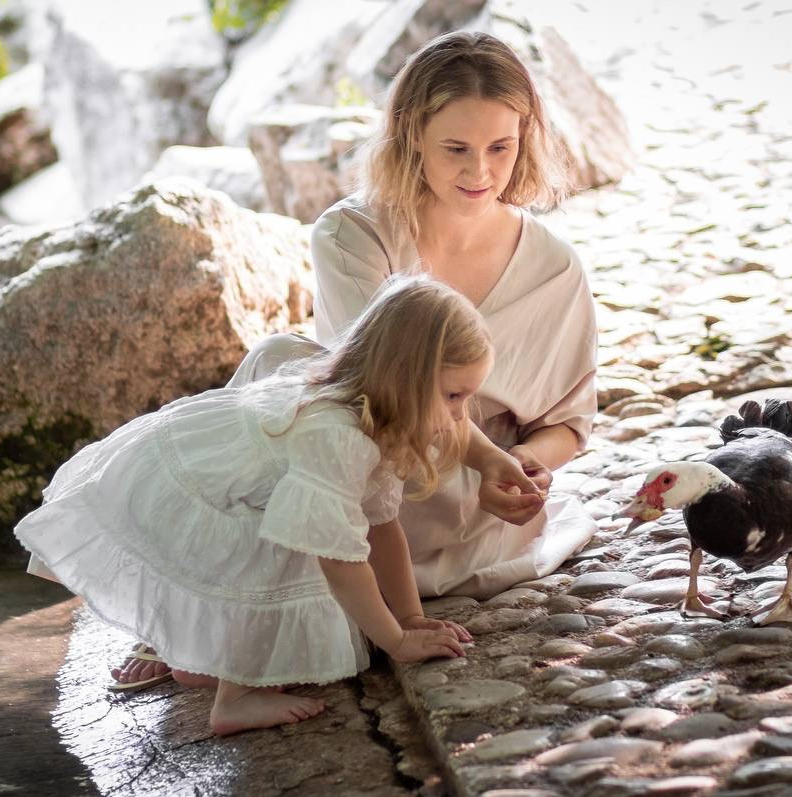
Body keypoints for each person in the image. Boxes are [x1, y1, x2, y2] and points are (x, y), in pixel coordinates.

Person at [114, 29, 599, 690]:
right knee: (277, 366)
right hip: (370, 466)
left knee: (299, 420)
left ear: (525, 139)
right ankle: (194, 604)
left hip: (463, 502)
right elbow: (380, 394)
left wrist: (521, 472)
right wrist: (488, 455)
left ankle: (234, 612)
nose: (480, 172)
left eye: (500, 148)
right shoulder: (354, 234)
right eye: (455, 148)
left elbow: (569, 422)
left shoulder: (553, 267)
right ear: (410, 137)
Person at [17, 277, 483, 735]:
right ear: (403, 375)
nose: (461, 416)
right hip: (185, 499)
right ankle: (234, 700)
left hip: (215, 494)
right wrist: (397, 642)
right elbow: (342, 561)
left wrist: (411, 618)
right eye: (453, 396)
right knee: (290, 545)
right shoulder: (337, 435)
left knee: (298, 539)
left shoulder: (374, 422)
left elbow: (383, 528)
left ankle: (205, 662)